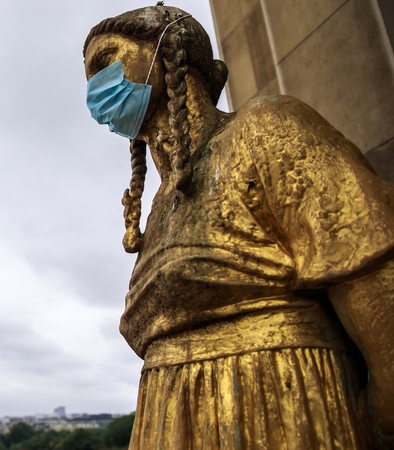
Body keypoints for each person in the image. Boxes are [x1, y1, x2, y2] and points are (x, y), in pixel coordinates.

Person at [82, 5, 394, 449]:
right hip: (171, 420)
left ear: (170, 53)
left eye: (104, 62)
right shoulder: (159, 204)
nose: (95, 89)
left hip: (281, 405)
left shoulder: (266, 127)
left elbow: (372, 271)